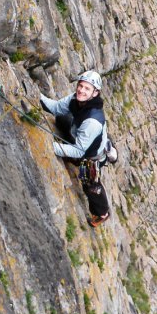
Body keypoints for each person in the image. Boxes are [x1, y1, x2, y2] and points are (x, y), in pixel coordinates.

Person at [39, 70, 113, 226]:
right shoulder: (75, 100)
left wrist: (49, 147)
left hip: (91, 155)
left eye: (87, 88)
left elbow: (79, 151)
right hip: (82, 135)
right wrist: (35, 96)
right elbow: (56, 108)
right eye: (80, 86)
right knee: (61, 118)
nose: (81, 90)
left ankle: (102, 213)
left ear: (95, 93)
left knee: (90, 185)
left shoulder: (93, 121)